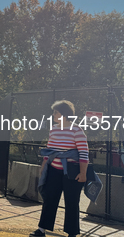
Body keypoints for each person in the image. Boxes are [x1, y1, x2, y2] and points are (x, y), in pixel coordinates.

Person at [31, 100, 89, 237]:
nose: (53, 114)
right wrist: (44, 167)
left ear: (64, 114)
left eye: (55, 112)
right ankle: (41, 230)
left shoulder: (77, 130)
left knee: (72, 202)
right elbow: (49, 150)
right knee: (49, 199)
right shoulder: (54, 129)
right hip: (54, 171)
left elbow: (84, 153)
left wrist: (83, 173)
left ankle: (72, 233)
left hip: (72, 173)